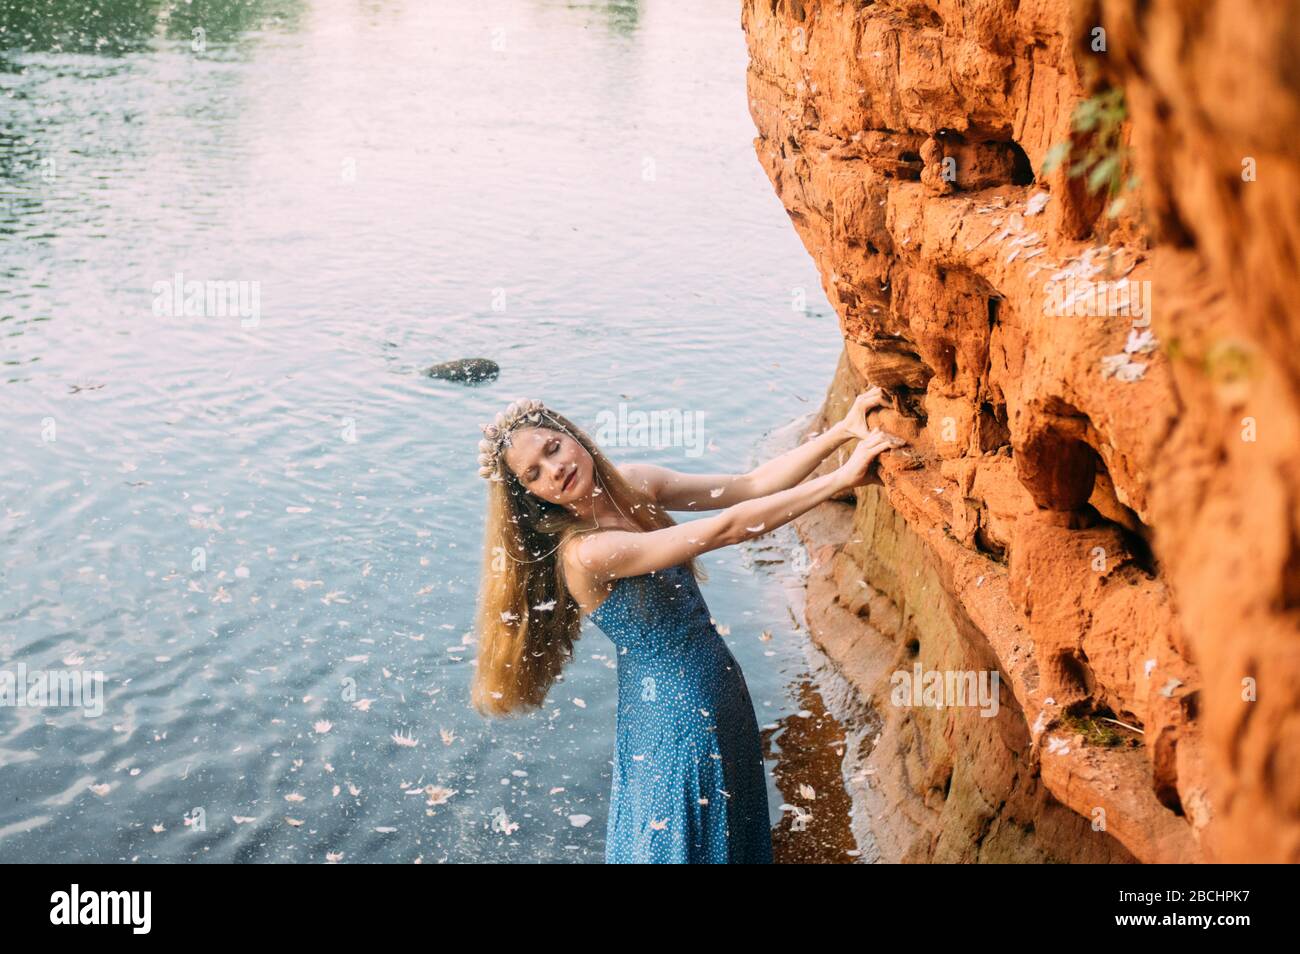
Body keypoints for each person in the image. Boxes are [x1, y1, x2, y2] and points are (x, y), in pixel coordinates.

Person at [470, 389, 907, 862]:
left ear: (573, 436)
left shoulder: (635, 485)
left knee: (725, 832)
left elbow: (749, 485)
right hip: (674, 715)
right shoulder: (587, 553)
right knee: (684, 836)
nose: (553, 470)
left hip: (717, 685)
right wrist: (843, 478)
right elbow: (727, 529)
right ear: (530, 495)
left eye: (552, 448)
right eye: (533, 473)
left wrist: (842, 430)